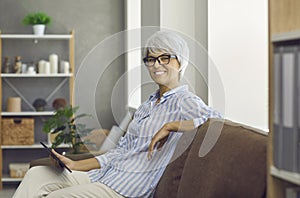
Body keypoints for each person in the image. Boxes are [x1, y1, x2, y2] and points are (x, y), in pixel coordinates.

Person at [13, 30, 221, 198]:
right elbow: (120, 152)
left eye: (165, 57)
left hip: (127, 188)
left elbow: (216, 121)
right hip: (104, 175)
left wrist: (171, 126)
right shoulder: (147, 104)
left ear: (181, 62)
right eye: (151, 59)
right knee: (36, 175)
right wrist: (77, 165)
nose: (156, 64)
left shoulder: (185, 101)